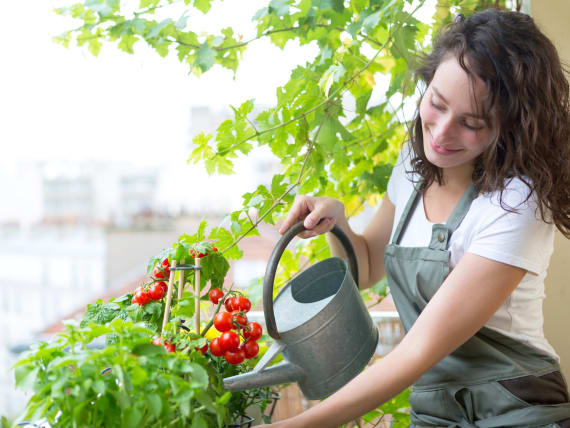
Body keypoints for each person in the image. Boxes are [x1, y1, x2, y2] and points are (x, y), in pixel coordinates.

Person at [260, 8, 570, 428]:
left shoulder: (517, 203)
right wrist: (339, 223)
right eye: (437, 104)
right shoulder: (411, 165)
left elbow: (419, 349)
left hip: (515, 410)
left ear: (509, 126)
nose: (441, 132)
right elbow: (366, 267)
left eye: (471, 123)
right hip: (437, 411)